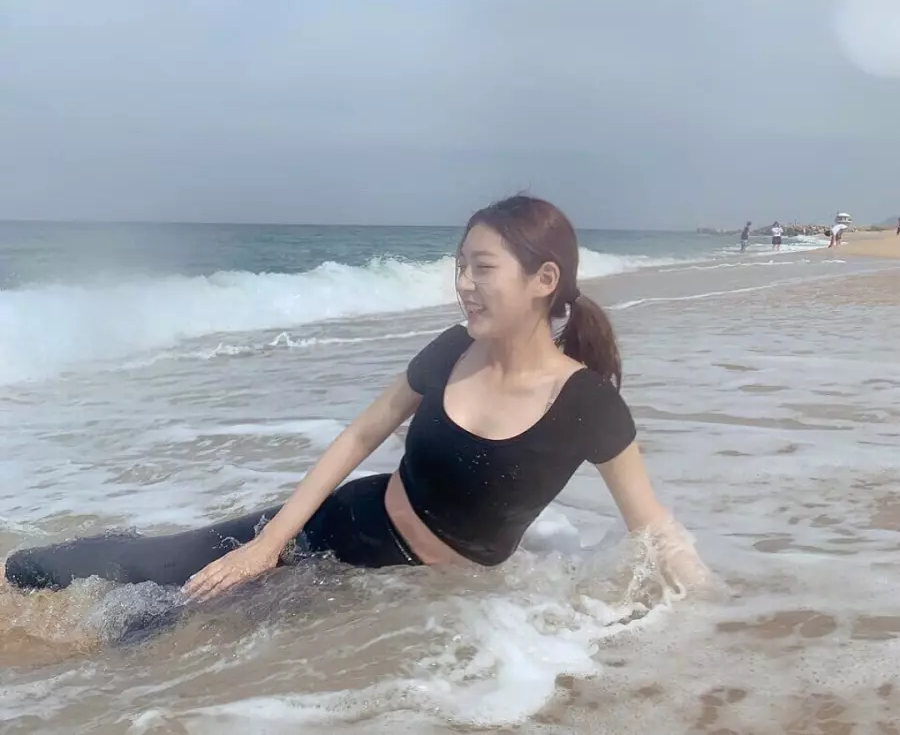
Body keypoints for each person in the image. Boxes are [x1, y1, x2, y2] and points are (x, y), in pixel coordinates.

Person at [5, 196, 708, 600]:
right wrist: (269, 544)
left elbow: (653, 529)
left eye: (482, 268)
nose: (463, 284)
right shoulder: (451, 349)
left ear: (543, 279)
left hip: (385, 588)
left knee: (162, 637)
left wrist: (724, 614)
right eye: (459, 266)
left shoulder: (588, 407)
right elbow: (362, 435)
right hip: (337, 529)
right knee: (149, 575)